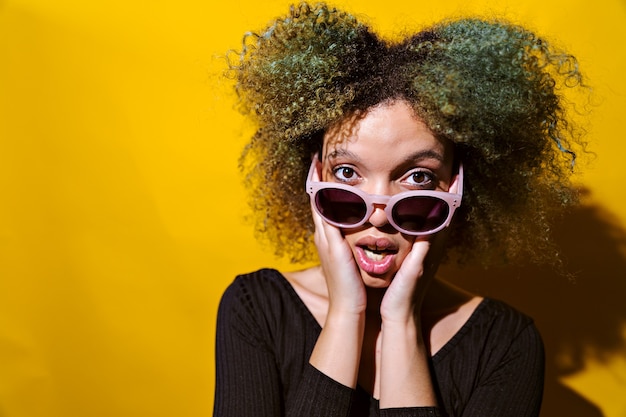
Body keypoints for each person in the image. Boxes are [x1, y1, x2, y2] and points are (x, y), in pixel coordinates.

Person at [214, 3, 586, 416]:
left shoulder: (505, 343)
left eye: (418, 177)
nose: (378, 215)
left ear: (462, 185)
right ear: (313, 174)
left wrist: (401, 323)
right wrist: (346, 314)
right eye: (346, 171)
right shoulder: (256, 308)